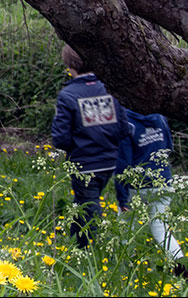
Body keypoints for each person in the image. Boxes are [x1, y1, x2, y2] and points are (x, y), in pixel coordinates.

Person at [51, 44, 130, 248]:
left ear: (69, 65)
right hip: (110, 160)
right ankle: (76, 244)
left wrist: (76, 146)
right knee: (83, 202)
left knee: (88, 205)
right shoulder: (109, 89)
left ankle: (92, 250)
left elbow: (60, 137)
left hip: (84, 162)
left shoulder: (68, 95)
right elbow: (123, 127)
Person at [115, 110, 185, 265]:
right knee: (161, 229)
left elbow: (122, 163)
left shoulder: (126, 121)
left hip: (137, 185)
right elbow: (169, 146)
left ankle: (127, 268)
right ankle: (183, 266)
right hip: (163, 181)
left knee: (126, 228)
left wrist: (122, 199)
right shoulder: (159, 116)